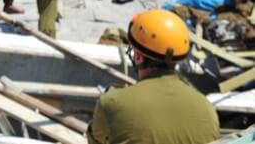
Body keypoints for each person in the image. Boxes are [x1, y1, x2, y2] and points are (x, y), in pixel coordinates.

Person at [86, 9, 220, 144]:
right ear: (180, 59)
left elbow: (95, 140)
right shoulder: (207, 108)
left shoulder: (112, 102)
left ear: (138, 56)